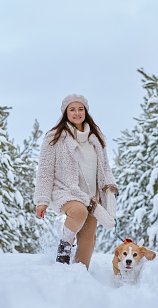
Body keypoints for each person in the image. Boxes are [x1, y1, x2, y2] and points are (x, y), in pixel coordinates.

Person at [34, 94, 118, 269]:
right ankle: (64, 248)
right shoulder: (54, 137)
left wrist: (110, 186)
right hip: (66, 191)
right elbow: (45, 171)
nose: (77, 113)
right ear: (65, 112)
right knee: (79, 212)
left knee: (88, 239)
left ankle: (80, 274)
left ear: (86, 111)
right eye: (72, 109)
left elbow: (105, 167)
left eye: (80, 109)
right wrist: (42, 200)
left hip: (92, 196)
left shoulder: (96, 137)